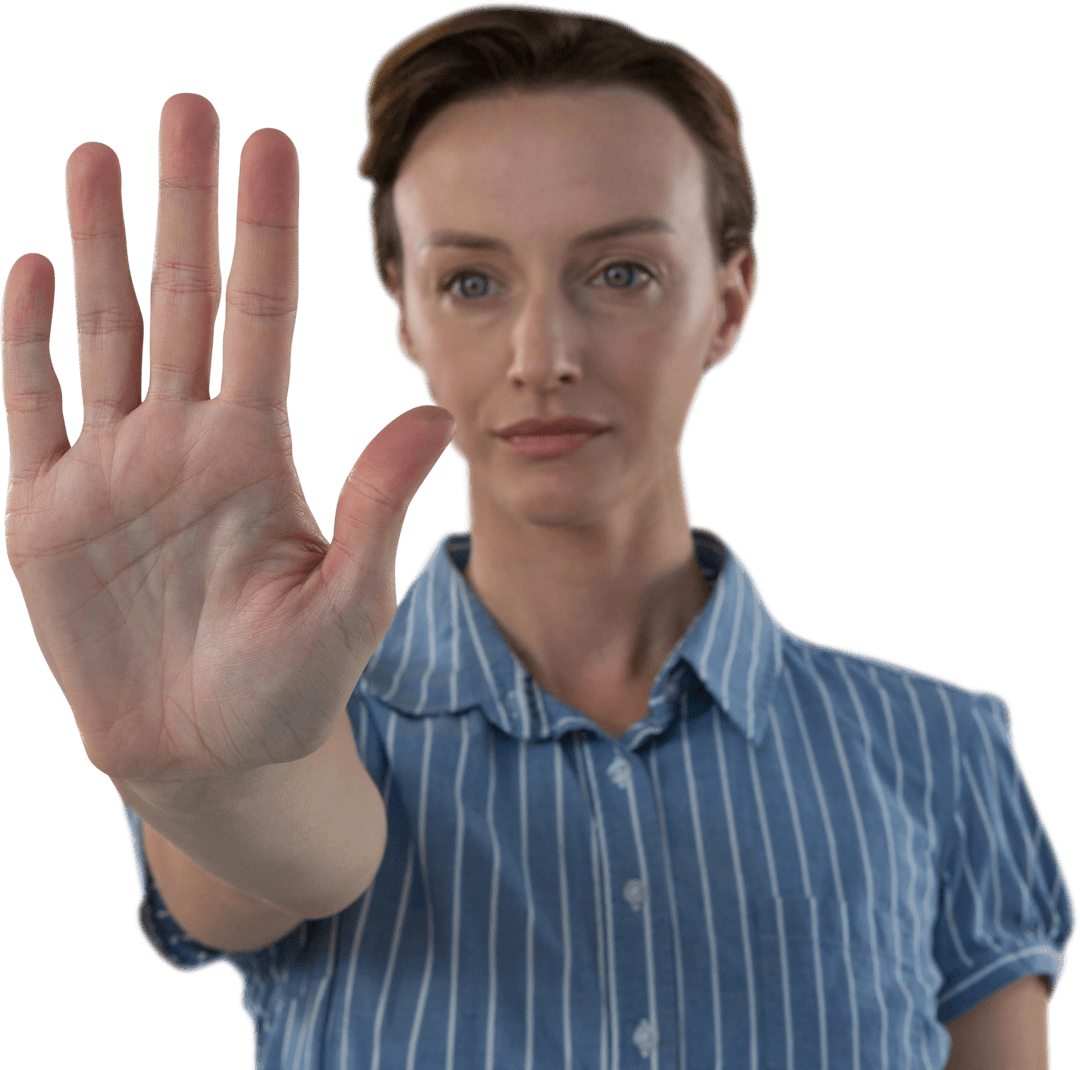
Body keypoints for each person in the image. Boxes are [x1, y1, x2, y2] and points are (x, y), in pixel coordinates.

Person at [1, 3, 1073, 1067]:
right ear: (406, 316)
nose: (542, 351)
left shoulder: (942, 749)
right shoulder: (312, 714)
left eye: (620, 272)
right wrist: (208, 781)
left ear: (730, 301)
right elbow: (284, 848)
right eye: (472, 280)